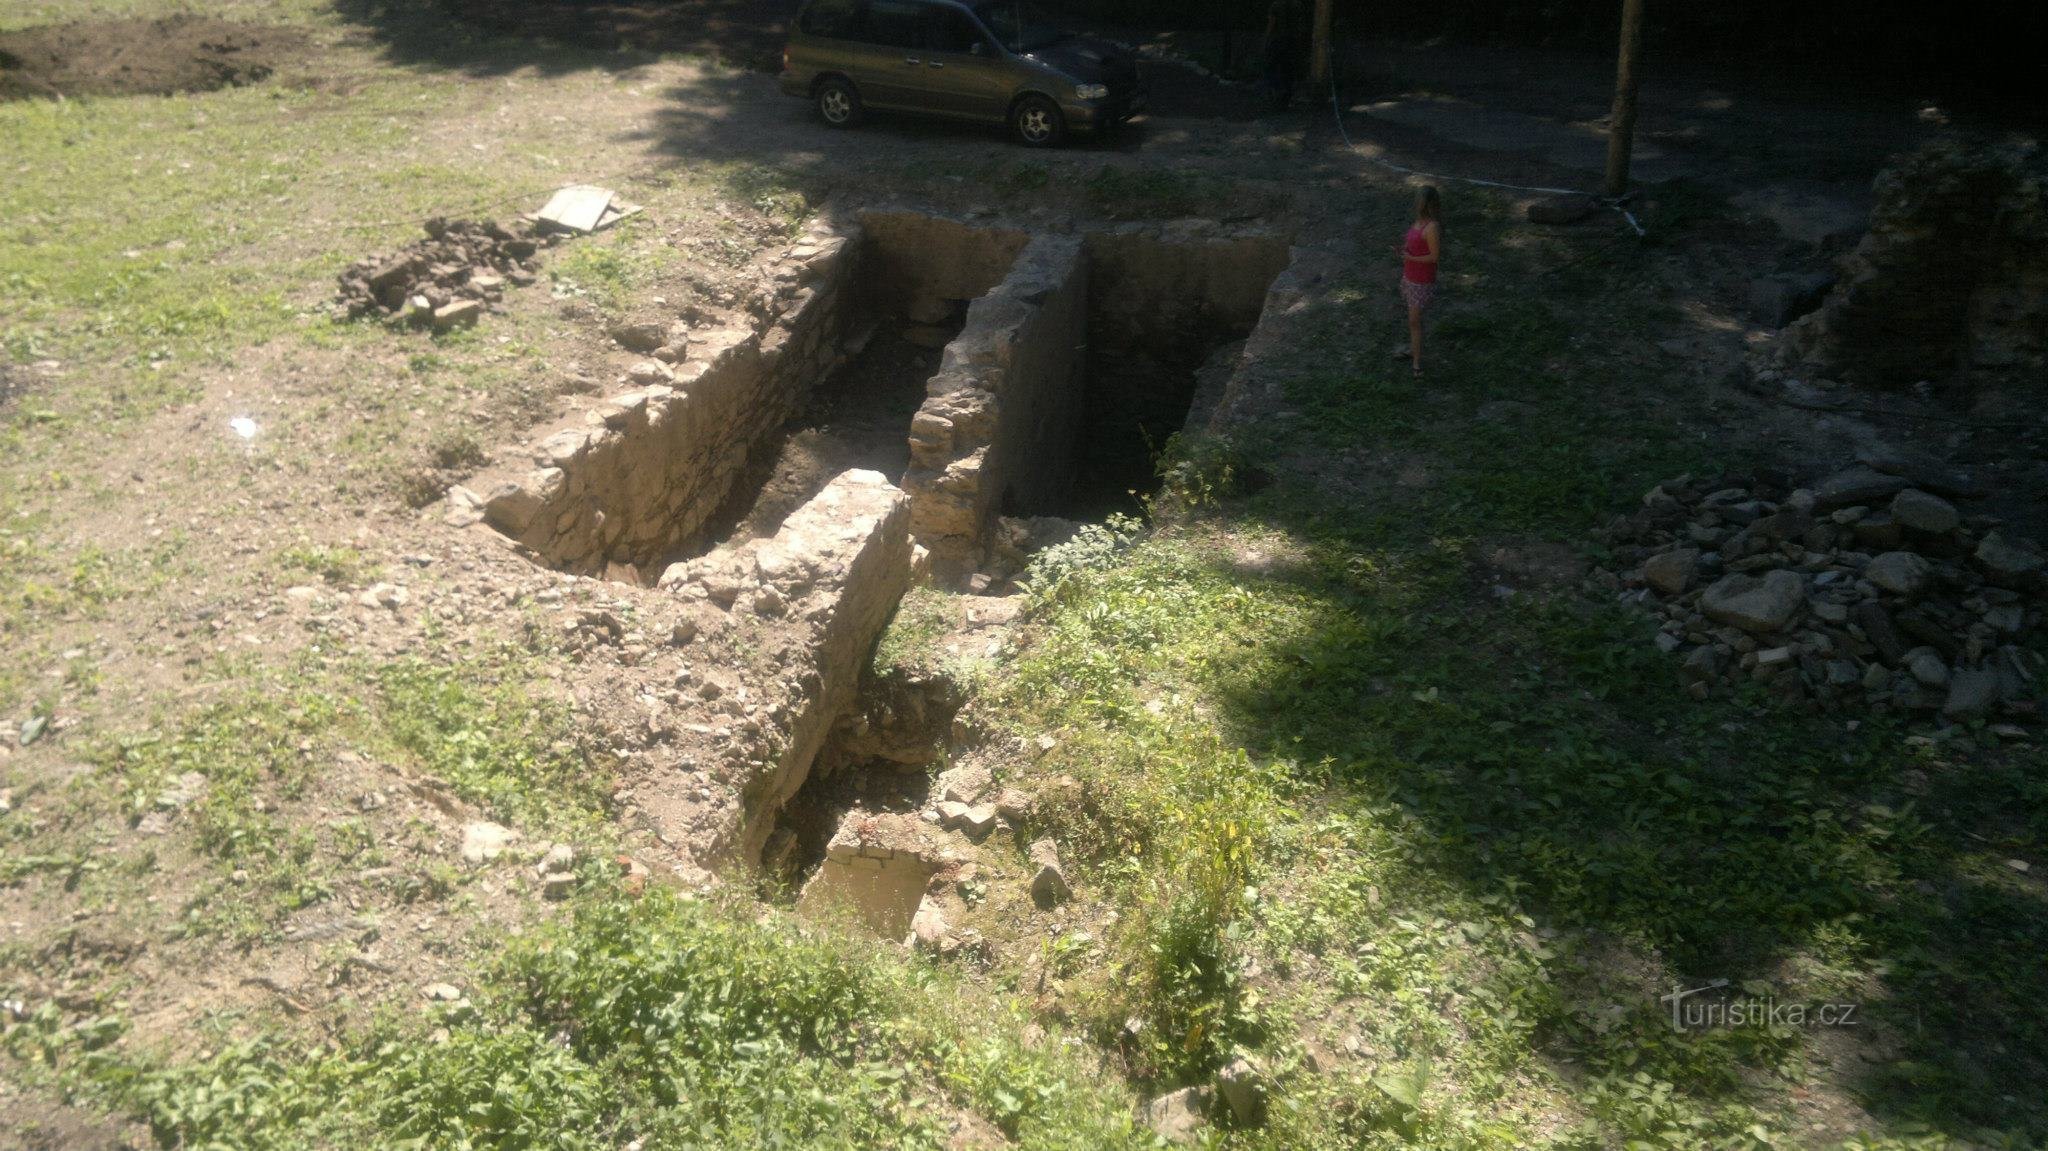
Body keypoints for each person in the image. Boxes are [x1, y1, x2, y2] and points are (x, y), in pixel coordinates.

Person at [1398, 185, 1442, 377]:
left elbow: (1434, 257)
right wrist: (1405, 250)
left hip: (1421, 280)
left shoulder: (1432, 227)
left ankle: (1416, 363)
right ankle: (1414, 349)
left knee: (1414, 320)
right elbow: (1414, 244)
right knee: (1413, 320)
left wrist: (1410, 257)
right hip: (1410, 276)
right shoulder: (1418, 222)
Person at [1262, 0, 1309, 112]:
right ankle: (1285, 98)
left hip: (1278, 40)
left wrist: (1266, 39)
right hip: (1292, 41)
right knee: (1288, 70)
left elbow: (1271, 23)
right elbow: (1301, 24)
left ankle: (1277, 92)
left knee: (1270, 67)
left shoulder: (1276, 5)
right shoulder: (1298, 5)